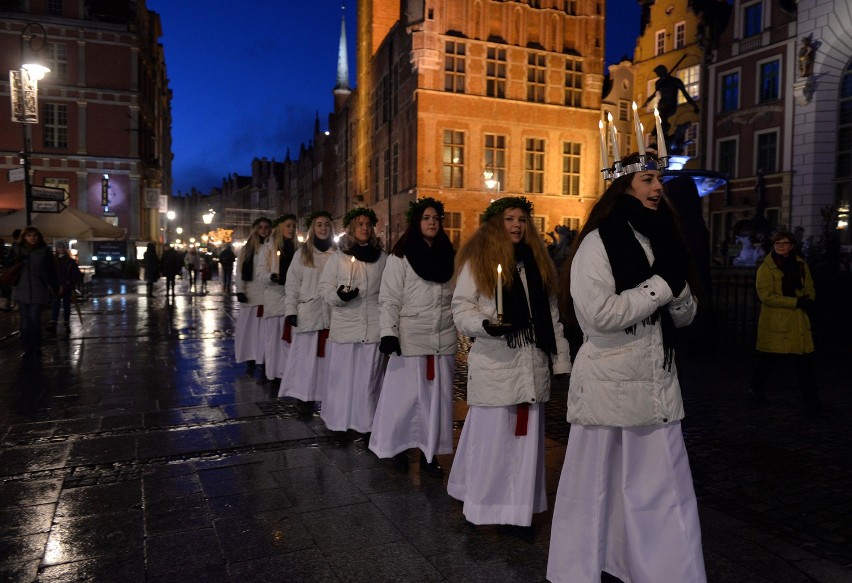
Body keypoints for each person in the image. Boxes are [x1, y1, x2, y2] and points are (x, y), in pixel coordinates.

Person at [547, 153, 704, 582]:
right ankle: (584, 567)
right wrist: (660, 286)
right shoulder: (598, 243)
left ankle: (661, 570)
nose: (658, 188)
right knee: (594, 489)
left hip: (656, 384)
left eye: (660, 180)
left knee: (662, 492)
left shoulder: (663, 237)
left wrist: (678, 292)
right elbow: (597, 315)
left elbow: (685, 314)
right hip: (608, 386)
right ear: (624, 187)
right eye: (648, 179)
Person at [449, 196, 571, 541]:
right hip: (496, 364)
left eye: (521, 219)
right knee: (492, 442)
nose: (517, 225)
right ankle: (483, 506)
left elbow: (551, 318)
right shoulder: (478, 263)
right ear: (496, 224)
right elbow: (461, 309)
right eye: (509, 219)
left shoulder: (538, 263)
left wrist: (560, 360)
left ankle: (518, 514)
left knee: (525, 447)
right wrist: (486, 324)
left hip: (531, 364)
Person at [369, 198, 457, 477]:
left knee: (436, 404)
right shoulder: (401, 256)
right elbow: (390, 298)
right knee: (404, 400)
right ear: (417, 222)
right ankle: (400, 446)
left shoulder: (449, 254)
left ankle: (430, 453)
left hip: (442, 340)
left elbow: (456, 297)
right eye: (426, 218)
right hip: (410, 339)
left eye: (436, 218)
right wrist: (389, 333)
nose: (432, 222)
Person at [317, 207, 387, 437]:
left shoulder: (382, 258)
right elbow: (325, 287)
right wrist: (339, 296)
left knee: (368, 380)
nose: (365, 228)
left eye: (368, 224)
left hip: (373, 327)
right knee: (342, 380)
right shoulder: (339, 256)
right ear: (351, 228)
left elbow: (388, 291)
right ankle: (339, 424)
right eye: (360, 224)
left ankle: (367, 425)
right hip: (346, 327)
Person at [749, 231, 822, 407]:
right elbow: (766, 296)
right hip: (777, 322)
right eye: (778, 243)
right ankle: (756, 390)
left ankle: (811, 399)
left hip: (798, 320)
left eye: (785, 243)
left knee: (804, 361)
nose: (781, 246)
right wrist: (796, 302)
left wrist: (808, 299)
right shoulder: (766, 268)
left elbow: (809, 285)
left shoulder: (800, 264)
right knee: (768, 359)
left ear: (792, 245)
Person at [281, 211, 337, 415]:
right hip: (308, 312)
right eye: (320, 225)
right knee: (305, 359)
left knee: (328, 359)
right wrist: (290, 310)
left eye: (327, 225)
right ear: (313, 228)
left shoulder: (338, 253)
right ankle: (304, 396)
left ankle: (326, 394)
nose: (323, 228)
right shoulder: (302, 253)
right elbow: (293, 284)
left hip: (331, 314)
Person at [10, 226, 58, 360]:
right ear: (24, 237)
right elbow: (7, 264)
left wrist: (55, 287)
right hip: (21, 289)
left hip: (38, 289)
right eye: (29, 235)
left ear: (39, 237)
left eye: (35, 235)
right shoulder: (17, 249)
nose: (32, 238)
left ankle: (36, 347)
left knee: (34, 318)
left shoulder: (44, 251)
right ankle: (27, 348)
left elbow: (51, 270)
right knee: (25, 321)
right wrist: (15, 258)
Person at [261, 214, 298, 385]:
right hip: (275, 297)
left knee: (288, 339)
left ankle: (286, 373)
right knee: (274, 339)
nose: (291, 229)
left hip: (292, 299)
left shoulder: (299, 249)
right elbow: (261, 274)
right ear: (280, 227)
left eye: (293, 226)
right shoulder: (269, 248)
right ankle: (274, 373)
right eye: (288, 225)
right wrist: (272, 277)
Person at [235, 217, 272, 377]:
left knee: (264, 332)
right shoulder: (247, 249)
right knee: (249, 331)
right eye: (260, 227)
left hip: (267, 295)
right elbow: (240, 270)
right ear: (255, 229)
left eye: (266, 227)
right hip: (251, 294)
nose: (263, 230)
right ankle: (250, 358)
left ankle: (264, 360)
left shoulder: (273, 247)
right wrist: (240, 290)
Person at [642, 64, 699, 139]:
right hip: (662, 105)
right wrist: (647, 102)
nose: (658, 75)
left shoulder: (675, 81)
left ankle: (661, 130)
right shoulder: (658, 83)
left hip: (671, 105)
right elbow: (654, 94)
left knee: (663, 117)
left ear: (663, 72)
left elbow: (686, 95)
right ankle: (660, 131)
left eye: (659, 73)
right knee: (660, 117)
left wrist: (694, 105)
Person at [47, 241, 81, 337]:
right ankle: (54, 323)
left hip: (66, 286)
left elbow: (75, 275)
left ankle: (66, 322)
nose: (60, 249)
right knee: (56, 304)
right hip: (56, 286)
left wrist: (68, 283)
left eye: (62, 247)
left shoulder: (70, 261)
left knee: (66, 305)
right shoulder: (54, 261)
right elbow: (51, 274)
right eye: (59, 247)